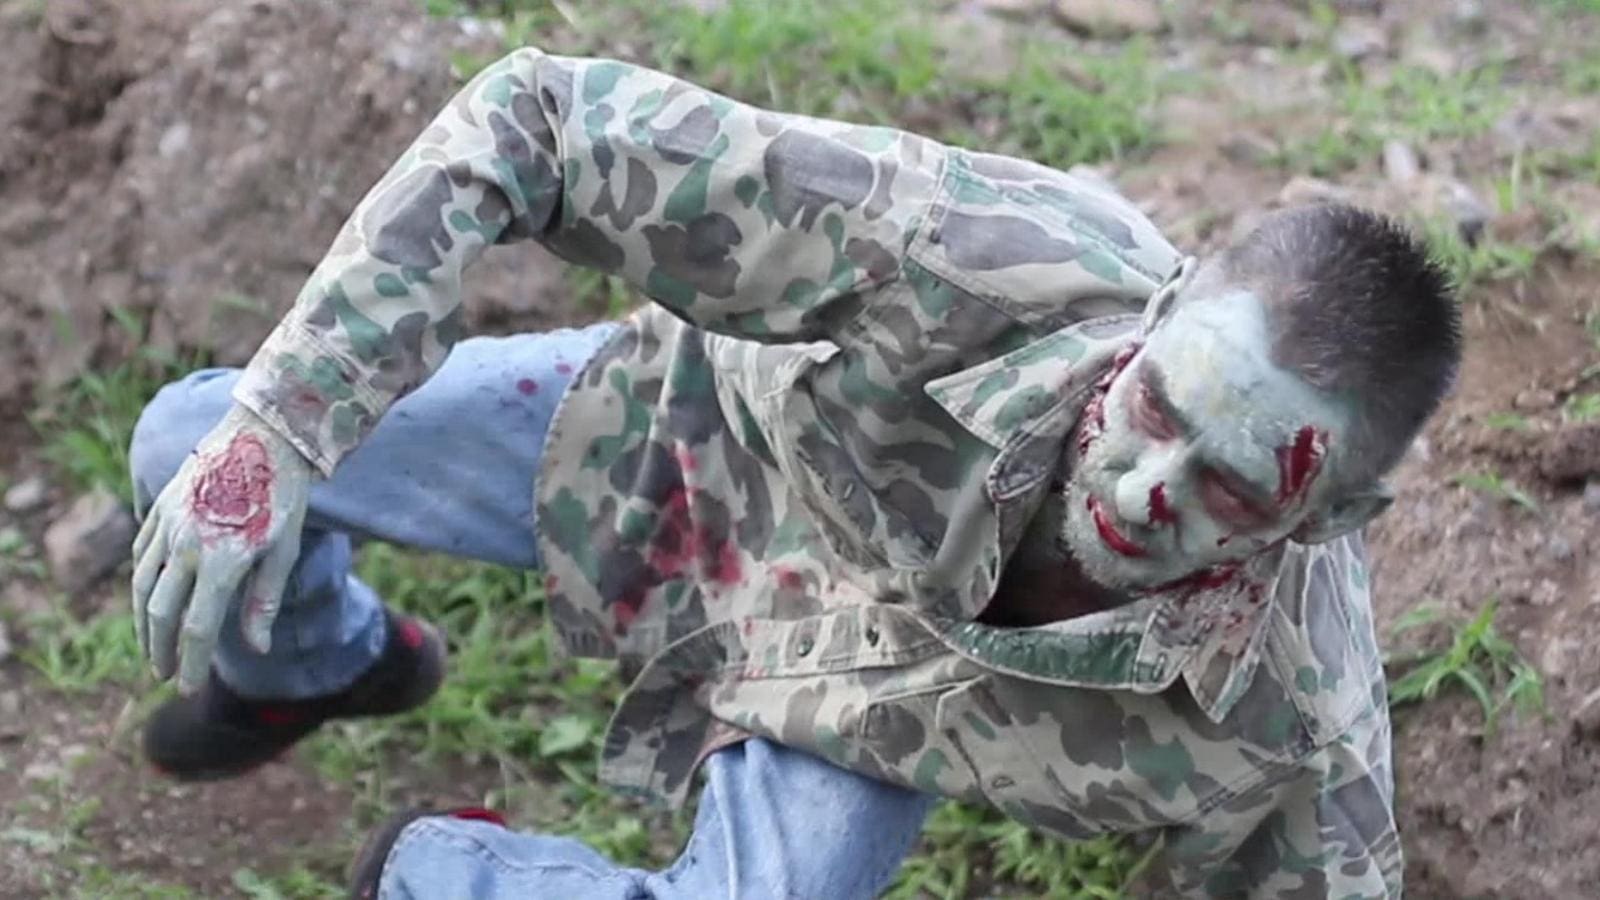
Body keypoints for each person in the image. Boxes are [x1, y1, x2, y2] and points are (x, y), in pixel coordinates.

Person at [126, 46, 1458, 899]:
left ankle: (436, 871)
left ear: (1333, 514)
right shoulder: (968, 253)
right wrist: (281, 427)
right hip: (690, 464)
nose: (1138, 488)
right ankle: (326, 664)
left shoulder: (1297, 723)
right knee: (195, 447)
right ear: (1160, 315)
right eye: (1152, 406)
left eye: (1230, 486)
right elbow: (537, 120)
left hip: (871, 702)